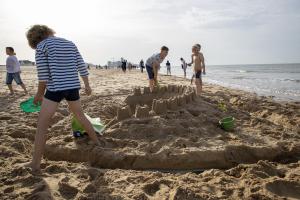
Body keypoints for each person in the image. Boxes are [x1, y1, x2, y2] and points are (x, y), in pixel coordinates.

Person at [24, 24, 100, 173]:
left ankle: (35, 164)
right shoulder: (70, 43)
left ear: (34, 40)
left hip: (55, 89)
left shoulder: (42, 46)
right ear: (47, 31)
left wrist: (39, 95)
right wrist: (87, 85)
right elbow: (81, 66)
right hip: (72, 87)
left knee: (42, 125)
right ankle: (97, 143)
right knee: (81, 116)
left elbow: (43, 76)